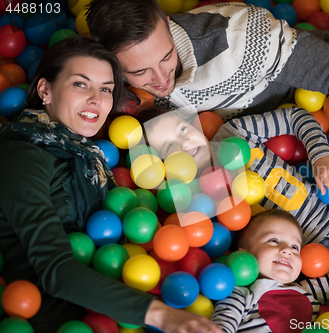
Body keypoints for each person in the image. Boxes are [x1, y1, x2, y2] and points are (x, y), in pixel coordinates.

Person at [85, 0, 329, 241]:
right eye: (140, 72)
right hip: (258, 139)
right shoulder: (113, 84)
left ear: (168, 27)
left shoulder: (240, 39)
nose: (161, 80)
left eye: (166, 57)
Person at [0, 36, 222, 333]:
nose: (96, 99)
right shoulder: (20, 154)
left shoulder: (91, 158)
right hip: (60, 319)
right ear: (45, 90)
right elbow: (56, 270)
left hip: (117, 308)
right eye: (81, 84)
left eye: (106, 89)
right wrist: (162, 315)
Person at [134, 105, 329, 331]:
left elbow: (296, 116)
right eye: (170, 149)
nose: (184, 144)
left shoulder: (235, 133)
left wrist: (320, 156)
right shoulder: (196, 206)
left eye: (183, 129)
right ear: (161, 169)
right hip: (314, 275)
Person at [211, 209, 329, 333]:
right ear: (244, 255)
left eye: (295, 247)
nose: (287, 250)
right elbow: (222, 325)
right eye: (274, 241)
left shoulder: (306, 291)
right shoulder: (240, 292)